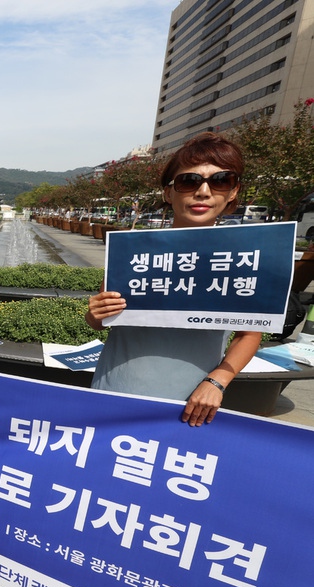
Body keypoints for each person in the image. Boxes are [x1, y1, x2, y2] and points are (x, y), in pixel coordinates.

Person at [86, 132, 262, 427]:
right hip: (115, 390)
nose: (203, 192)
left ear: (233, 192)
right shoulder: (134, 253)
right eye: (189, 181)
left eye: (219, 181)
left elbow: (250, 333)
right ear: (169, 192)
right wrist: (94, 313)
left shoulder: (243, 259)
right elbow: (99, 320)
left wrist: (218, 381)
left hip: (193, 402)